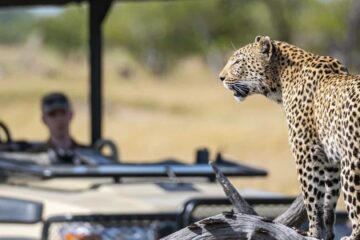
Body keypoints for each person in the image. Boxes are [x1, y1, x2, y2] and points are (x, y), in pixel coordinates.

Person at [41, 92, 85, 164]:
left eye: (63, 113)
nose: (59, 119)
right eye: (52, 114)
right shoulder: (36, 156)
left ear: (71, 115)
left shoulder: (87, 155)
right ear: (44, 120)